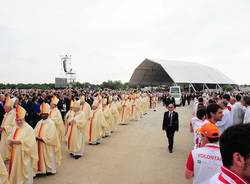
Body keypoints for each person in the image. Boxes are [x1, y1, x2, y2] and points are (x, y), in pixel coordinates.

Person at [8, 105, 37, 184]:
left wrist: (20, 142)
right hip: (15, 152)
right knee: (16, 168)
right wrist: (10, 141)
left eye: (20, 120)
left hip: (24, 153)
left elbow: (31, 142)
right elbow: (10, 136)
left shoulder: (28, 128)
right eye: (17, 120)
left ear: (24, 119)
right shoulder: (15, 127)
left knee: (25, 168)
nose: (19, 122)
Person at [34, 102, 62, 175]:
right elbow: (35, 131)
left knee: (49, 156)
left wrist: (43, 138)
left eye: (44, 114)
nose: (43, 115)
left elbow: (52, 135)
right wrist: (35, 136)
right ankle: (42, 170)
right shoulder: (39, 122)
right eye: (42, 114)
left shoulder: (51, 123)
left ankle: (50, 170)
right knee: (41, 156)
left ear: (48, 114)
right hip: (39, 142)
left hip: (47, 144)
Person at [0, 96, 16, 161]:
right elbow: (4, 122)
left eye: (5, 107)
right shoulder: (7, 113)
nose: (4, 108)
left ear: (10, 107)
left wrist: (4, 128)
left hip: (9, 134)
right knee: (3, 146)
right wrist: (1, 127)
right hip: (4, 133)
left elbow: (14, 126)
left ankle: (9, 159)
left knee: (8, 147)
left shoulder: (14, 114)